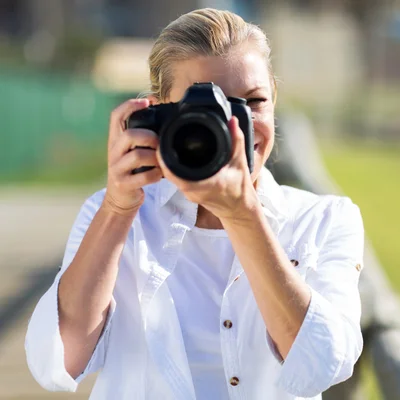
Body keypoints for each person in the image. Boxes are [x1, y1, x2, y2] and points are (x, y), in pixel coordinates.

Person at [24, 8, 364, 400]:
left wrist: (242, 215)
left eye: (252, 102)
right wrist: (118, 211)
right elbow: (57, 363)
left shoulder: (324, 219)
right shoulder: (111, 213)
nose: (236, 127)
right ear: (159, 114)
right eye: (207, 112)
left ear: (274, 98)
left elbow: (324, 365)